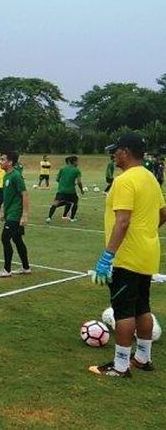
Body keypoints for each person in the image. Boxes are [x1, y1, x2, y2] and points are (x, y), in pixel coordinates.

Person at [89, 132, 166, 377]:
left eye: (116, 150)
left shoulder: (125, 180)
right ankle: (143, 358)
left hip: (127, 257)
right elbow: (163, 213)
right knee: (142, 306)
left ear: (126, 151)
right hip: (147, 254)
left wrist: (107, 256)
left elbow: (122, 222)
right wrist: (146, 233)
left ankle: (120, 365)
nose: (113, 155)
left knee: (122, 309)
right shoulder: (150, 177)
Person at [0, 152, 31, 278]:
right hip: (10, 213)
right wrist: (3, 211)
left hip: (16, 214)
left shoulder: (16, 176)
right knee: (17, 239)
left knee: (5, 238)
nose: (0, 161)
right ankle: (26, 268)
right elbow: (8, 196)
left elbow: (24, 195)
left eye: (3, 159)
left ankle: (6, 270)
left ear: (10, 162)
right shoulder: (6, 176)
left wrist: (24, 214)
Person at [46, 156, 84, 223]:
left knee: (56, 203)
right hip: (71, 191)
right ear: (74, 161)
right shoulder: (76, 170)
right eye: (77, 161)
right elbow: (79, 182)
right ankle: (72, 218)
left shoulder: (62, 169)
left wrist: (63, 183)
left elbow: (57, 179)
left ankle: (49, 217)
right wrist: (81, 190)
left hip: (61, 190)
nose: (78, 163)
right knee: (75, 202)